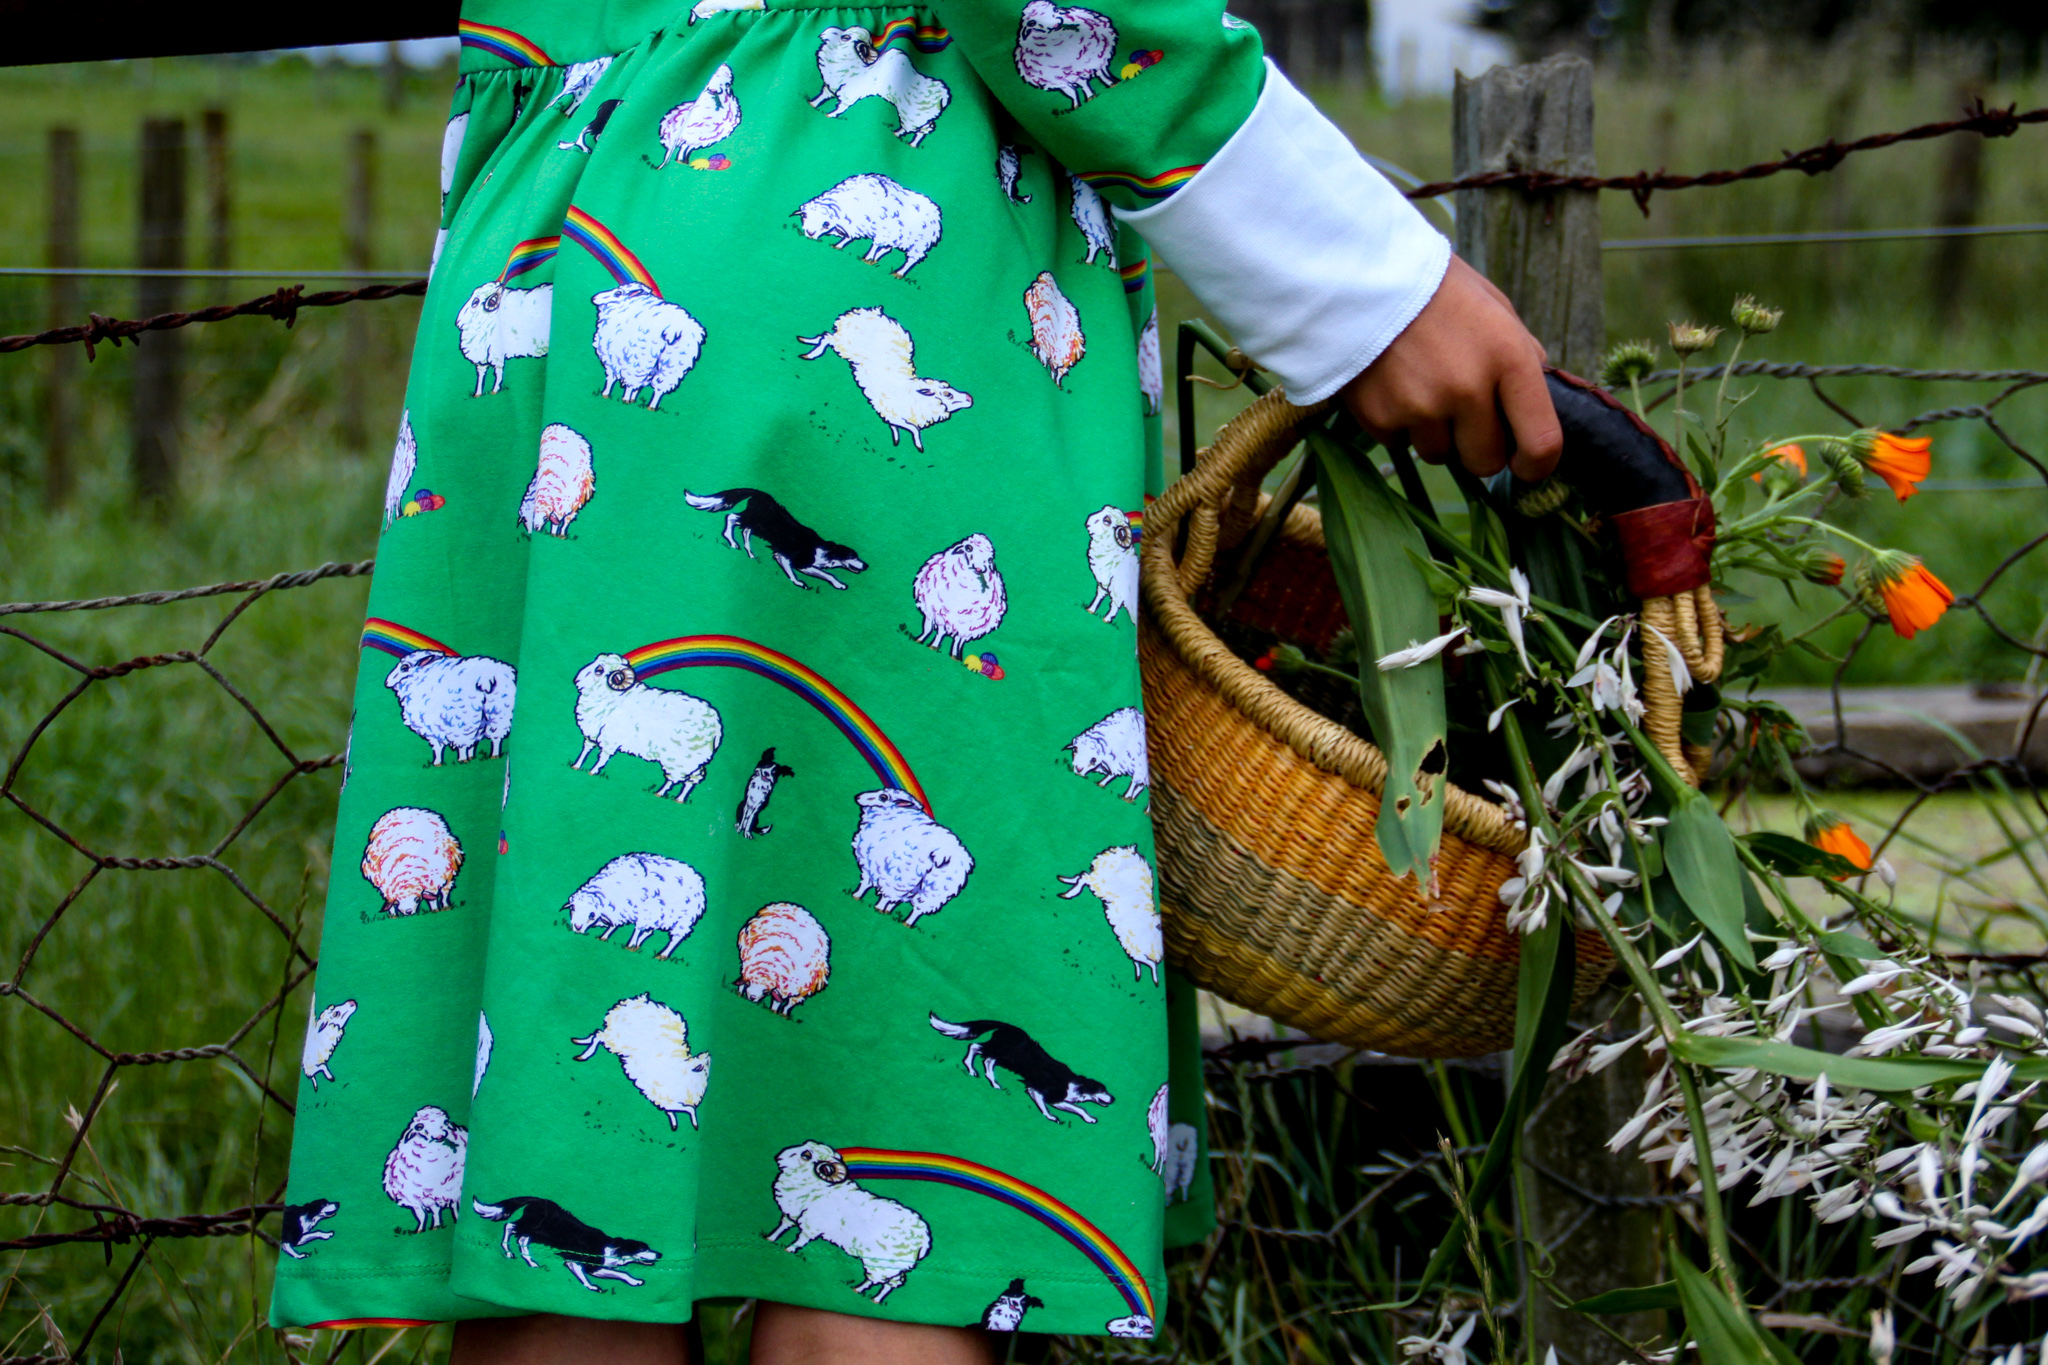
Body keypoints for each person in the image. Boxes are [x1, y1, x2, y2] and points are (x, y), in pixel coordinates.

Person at [270, 0, 1559, 1359]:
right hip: (852, 196)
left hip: (558, 234)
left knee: (566, 1207)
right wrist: (1360, 281)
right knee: (888, 1200)